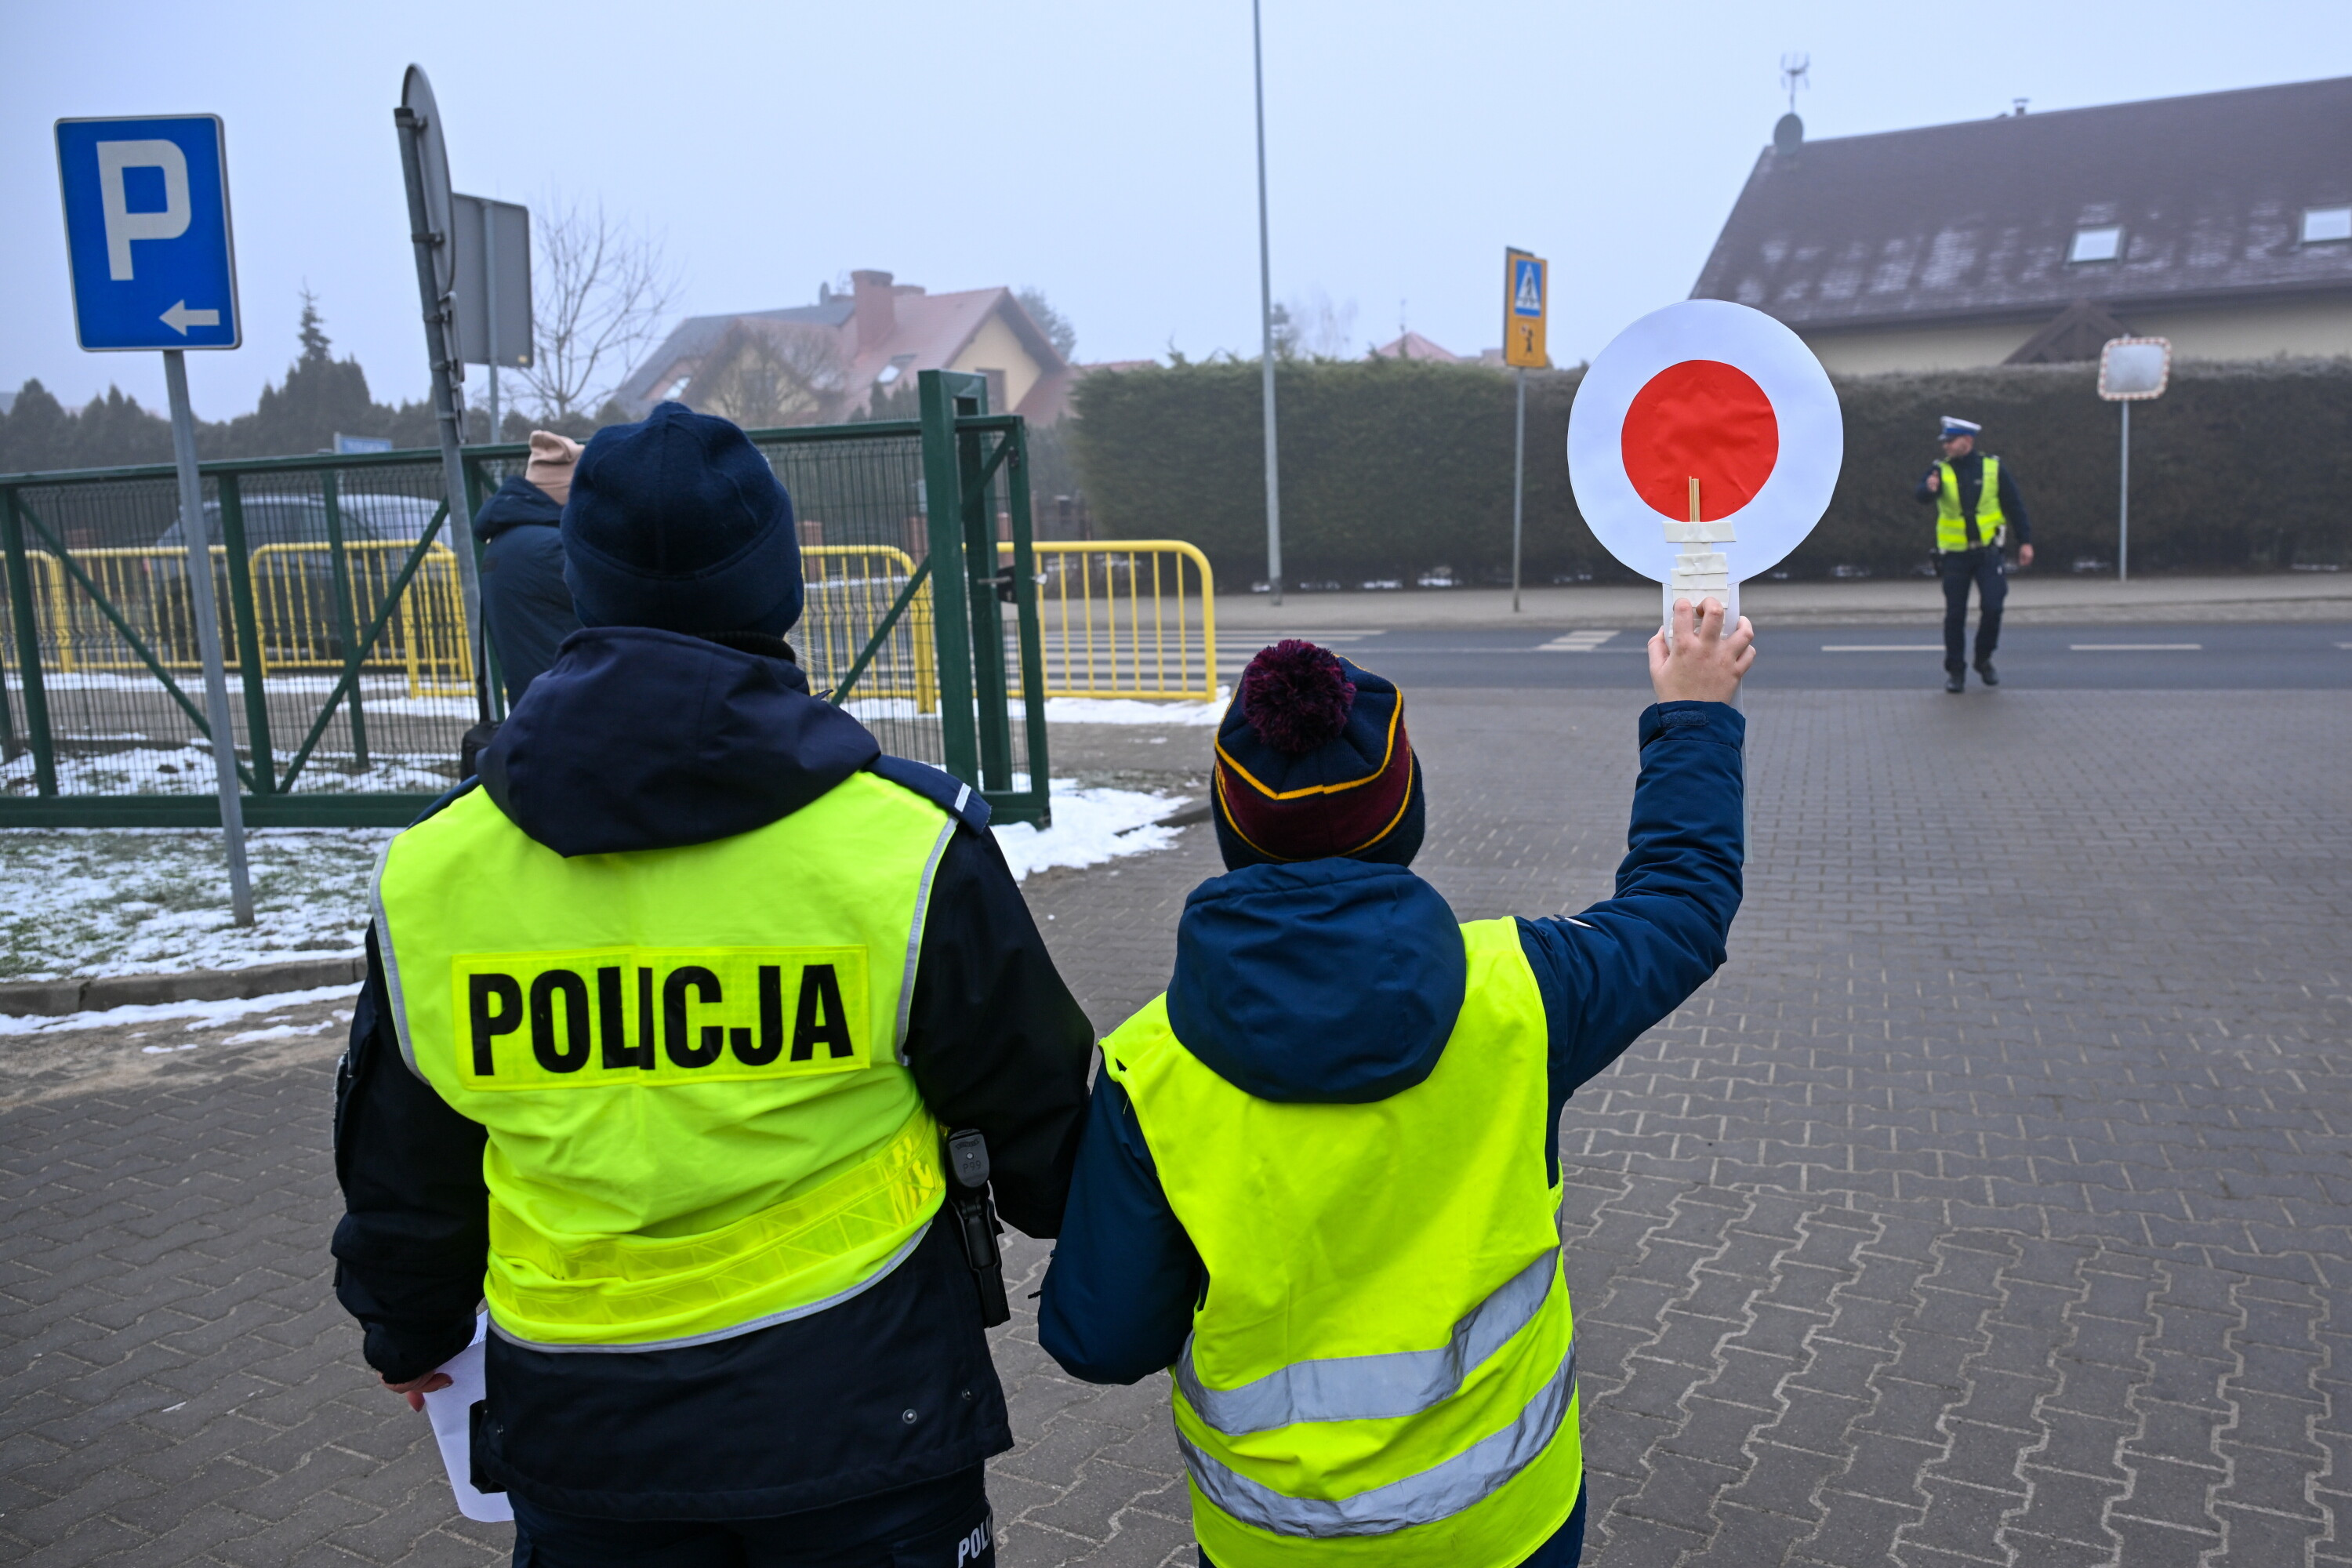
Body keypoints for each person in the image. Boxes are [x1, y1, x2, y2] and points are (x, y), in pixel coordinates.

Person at [332, 401, 1094, 1566]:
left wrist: (410, 1330)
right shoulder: (905, 844)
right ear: (776, 587)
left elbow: (408, 1154)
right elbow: (1035, 1109)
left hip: (584, 1432)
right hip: (863, 1407)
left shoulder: (435, 873)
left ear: (581, 582)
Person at [1035, 599, 1754, 1568]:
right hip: (1507, 1523)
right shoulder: (1524, 994)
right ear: (1404, 813)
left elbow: (1102, 1335)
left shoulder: (1149, 1067)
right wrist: (1695, 712)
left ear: (1229, 824)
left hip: (1273, 1541)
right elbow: (1680, 905)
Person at [1916, 416, 2034, 693]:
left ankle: (1984, 659)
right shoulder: (1939, 470)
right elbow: (1921, 494)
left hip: (1988, 553)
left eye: (1950, 441)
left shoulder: (1993, 467)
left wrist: (2026, 541)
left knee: (1993, 606)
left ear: (1967, 441)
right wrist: (1928, 490)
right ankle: (1956, 672)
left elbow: (2014, 504)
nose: (1945, 446)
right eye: (1944, 441)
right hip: (1954, 556)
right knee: (1955, 615)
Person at [474, 430, 587, 706]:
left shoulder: (506, 540)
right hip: (571, 707)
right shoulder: (552, 549)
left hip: (535, 705)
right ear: (569, 493)